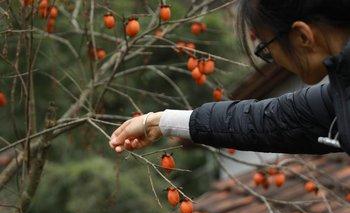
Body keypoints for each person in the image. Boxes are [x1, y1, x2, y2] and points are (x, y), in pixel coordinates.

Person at [109, 0, 350, 157]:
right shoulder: (342, 88)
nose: (273, 58)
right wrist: (161, 121)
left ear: (302, 37)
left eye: (266, 47)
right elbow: (275, 120)